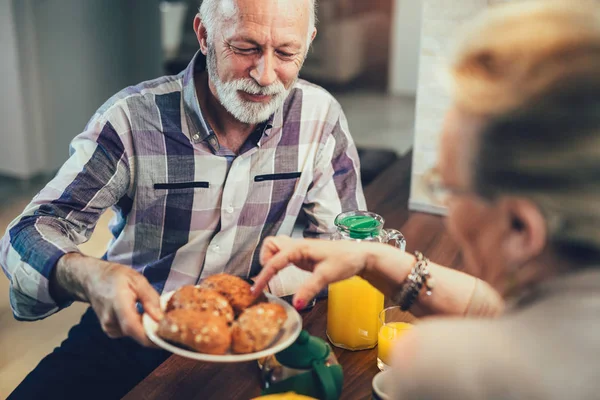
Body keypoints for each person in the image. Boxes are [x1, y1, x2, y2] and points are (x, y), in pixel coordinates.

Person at [1, 0, 365, 398]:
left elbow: (348, 243)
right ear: (204, 35)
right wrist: (87, 275)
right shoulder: (130, 120)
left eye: (285, 53)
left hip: (255, 333)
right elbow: (28, 231)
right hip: (134, 331)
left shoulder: (320, 116)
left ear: (308, 42)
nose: (264, 76)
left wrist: (264, 285)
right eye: (245, 48)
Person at [252, 1, 600, 398]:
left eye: (448, 189)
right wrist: (371, 258)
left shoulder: (449, 368)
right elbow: (497, 309)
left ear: (522, 229)